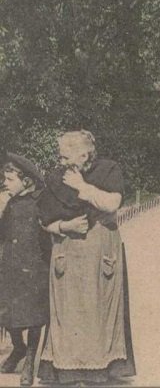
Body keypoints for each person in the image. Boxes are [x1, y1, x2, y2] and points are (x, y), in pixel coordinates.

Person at [37, 130, 135, 385]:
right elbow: (43, 217)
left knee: (98, 309)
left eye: (65, 156)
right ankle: (67, 371)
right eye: (60, 157)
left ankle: (100, 369)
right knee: (68, 312)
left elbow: (112, 203)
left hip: (99, 252)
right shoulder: (56, 178)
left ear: (85, 153)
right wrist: (63, 227)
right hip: (67, 254)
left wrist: (81, 186)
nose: (61, 162)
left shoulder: (108, 170)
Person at [0, 154, 50, 386]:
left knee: (33, 316)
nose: (5, 183)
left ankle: (30, 359)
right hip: (9, 268)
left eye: (9, 179)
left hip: (33, 270)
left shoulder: (40, 203)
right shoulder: (8, 203)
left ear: (26, 181)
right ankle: (18, 347)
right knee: (7, 313)